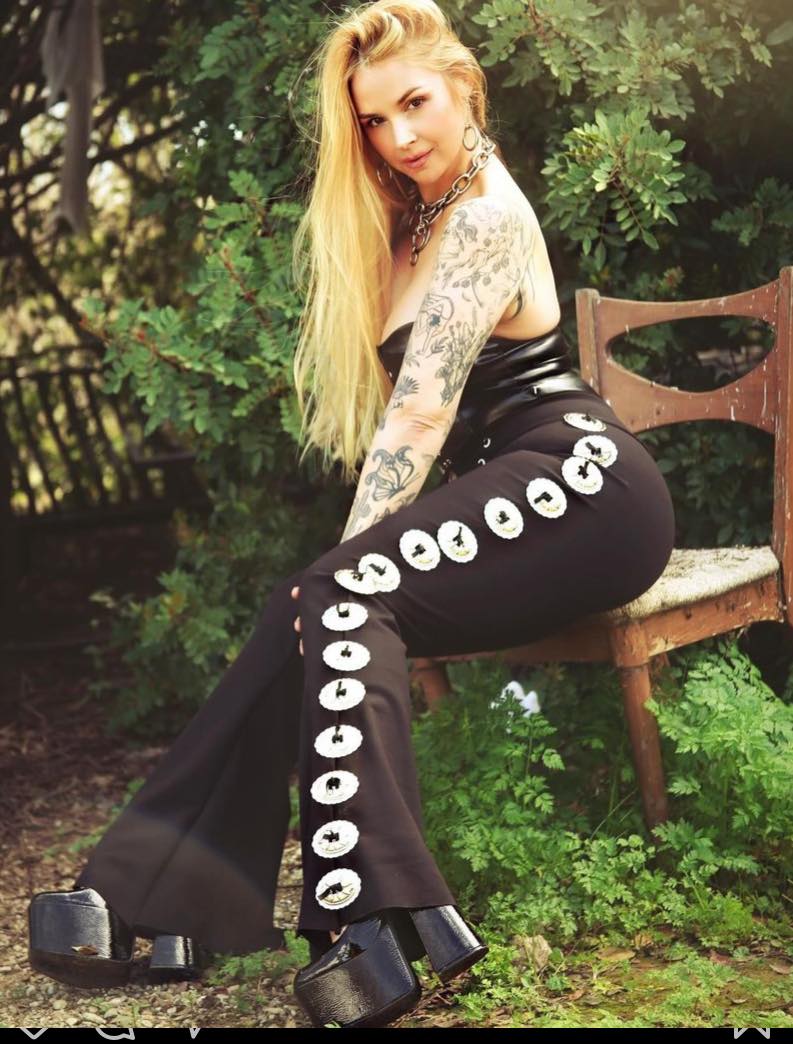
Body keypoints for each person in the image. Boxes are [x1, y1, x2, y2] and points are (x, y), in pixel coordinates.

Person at [27, 0, 676, 1028]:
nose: (399, 134)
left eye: (414, 103)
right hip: (514, 493)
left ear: (465, 87)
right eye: (374, 120)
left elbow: (419, 416)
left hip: (585, 489)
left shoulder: (484, 218)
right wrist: (328, 584)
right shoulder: (408, 221)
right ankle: (168, 901)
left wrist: (340, 572)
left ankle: (364, 923)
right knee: (309, 603)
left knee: (332, 593)